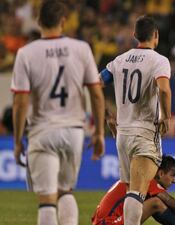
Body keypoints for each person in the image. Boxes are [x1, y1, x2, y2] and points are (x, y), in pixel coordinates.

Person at [11, 1, 105, 225]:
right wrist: (99, 132)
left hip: (43, 131)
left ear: (38, 21)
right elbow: (96, 94)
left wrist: (17, 141)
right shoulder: (82, 49)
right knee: (66, 191)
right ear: (63, 21)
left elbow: (20, 102)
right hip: (73, 131)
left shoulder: (26, 53)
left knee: (47, 199)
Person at [100, 15, 171, 225]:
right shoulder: (159, 60)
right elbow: (164, 89)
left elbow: (95, 84)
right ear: (156, 35)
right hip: (144, 133)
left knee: (132, 188)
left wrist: (106, 115)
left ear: (134, 35)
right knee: (137, 191)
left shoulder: (118, 61)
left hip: (122, 134)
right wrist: (166, 116)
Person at [92, 155, 175, 225]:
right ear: (161, 173)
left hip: (104, 221)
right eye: (173, 175)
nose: (174, 180)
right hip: (108, 223)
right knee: (155, 204)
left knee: (155, 203)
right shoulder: (148, 180)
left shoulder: (141, 175)